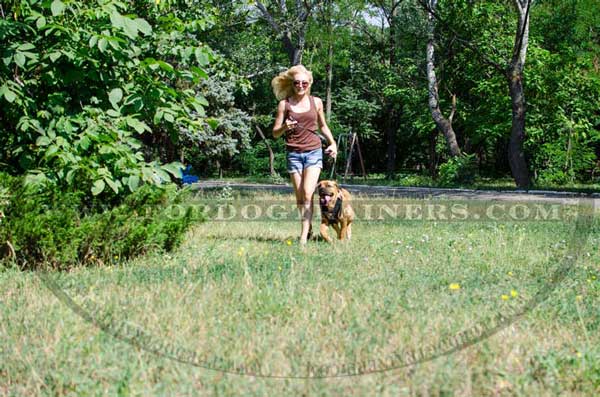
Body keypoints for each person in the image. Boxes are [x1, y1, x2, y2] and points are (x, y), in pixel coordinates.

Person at [271, 65, 337, 244]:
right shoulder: (284, 104)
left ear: (309, 84)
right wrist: (285, 126)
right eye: (297, 83)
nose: (301, 86)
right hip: (293, 153)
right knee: (300, 197)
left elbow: (322, 126)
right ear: (292, 84)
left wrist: (333, 143)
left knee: (308, 193)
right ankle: (308, 230)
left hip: (313, 152)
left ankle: (302, 238)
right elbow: (275, 133)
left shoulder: (316, 102)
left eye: (304, 83)